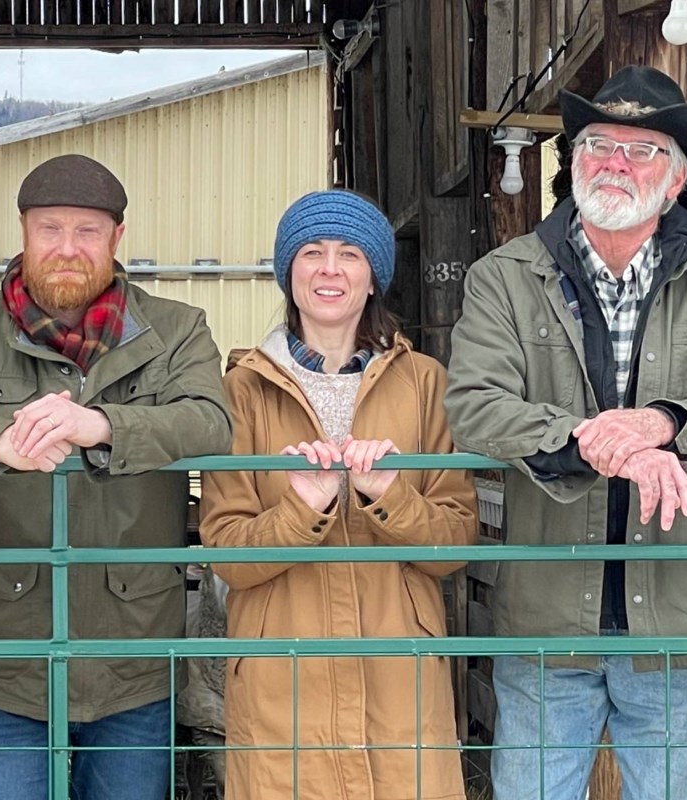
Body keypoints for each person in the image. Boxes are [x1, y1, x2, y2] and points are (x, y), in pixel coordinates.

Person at [444, 66, 687, 800]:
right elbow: (473, 404)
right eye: (598, 144)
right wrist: (589, 436)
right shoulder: (504, 277)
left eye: (642, 151)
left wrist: (666, 422)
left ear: (676, 181)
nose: (614, 163)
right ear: (572, 163)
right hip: (546, 622)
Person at [0, 154, 233, 800]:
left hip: (135, 652)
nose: (67, 248)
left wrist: (104, 427)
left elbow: (211, 421)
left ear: (118, 238)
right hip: (11, 650)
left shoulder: (178, 330)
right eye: (50, 229)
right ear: (23, 231)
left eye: (87, 232)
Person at [200, 190, 476, 800]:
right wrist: (303, 509)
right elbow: (227, 553)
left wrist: (387, 496)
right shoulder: (240, 390)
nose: (330, 268)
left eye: (349, 254)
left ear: (374, 277)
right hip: (283, 671)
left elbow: (455, 542)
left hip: (398, 663)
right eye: (311, 253)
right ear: (288, 273)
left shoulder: (426, 383)